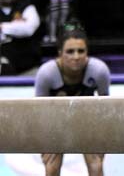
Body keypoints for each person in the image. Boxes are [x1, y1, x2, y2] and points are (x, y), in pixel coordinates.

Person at [34, 23, 110, 176]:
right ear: (60, 52)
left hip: (88, 120)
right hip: (54, 121)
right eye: (70, 51)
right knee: (52, 164)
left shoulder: (99, 71)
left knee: (96, 164)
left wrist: (102, 138)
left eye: (81, 51)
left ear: (87, 52)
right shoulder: (47, 73)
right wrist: (43, 141)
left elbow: (106, 110)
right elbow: (38, 113)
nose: (76, 57)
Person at [0, 0, 41, 75]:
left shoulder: (27, 7)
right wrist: (16, 27)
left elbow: (29, 29)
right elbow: (22, 28)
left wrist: (2, 27)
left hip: (29, 68)